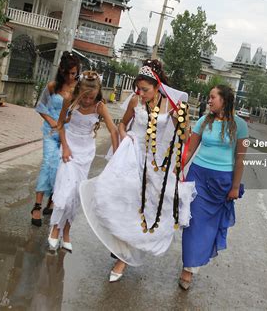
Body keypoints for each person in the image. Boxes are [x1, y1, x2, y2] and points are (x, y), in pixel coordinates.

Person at [79, 59, 196, 282]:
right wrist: (126, 138)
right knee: (116, 199)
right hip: (132, 156)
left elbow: (181, 137)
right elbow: (123, 124)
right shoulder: (135, 101)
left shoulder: (171, 106)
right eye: (138, 89)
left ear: (157, 85)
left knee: (145, 210)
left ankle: (123, 258)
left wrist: (178, 122)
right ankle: (120, 248)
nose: (140, 93)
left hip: (154, 163)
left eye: (145, 90)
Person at [178, 84, 248, 290]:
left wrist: (235, 187)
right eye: (208, 98)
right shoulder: (203, 121)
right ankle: (187, 270)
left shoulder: (240, 125)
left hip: (222, 181)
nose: (208, 101)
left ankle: (193, 264)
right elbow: (189, 150)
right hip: (198, 175)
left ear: (224, 100)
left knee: (209, 227)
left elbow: (240, 159)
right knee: (193, 223)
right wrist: (176, 169)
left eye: (212, 97)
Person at [47, 70, 119, 253]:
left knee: (76, 194)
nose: (87, 100)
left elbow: (113, 130)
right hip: (69, 148)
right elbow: (60, 124)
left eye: (91, 97)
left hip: (86, 153)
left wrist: (118, 153)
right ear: (79, 90)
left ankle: (67, 232)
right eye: (85, 97)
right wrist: (65, 147)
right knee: (65, 189)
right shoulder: (70, 100)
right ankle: (55, 229)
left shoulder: (100, 107)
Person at [30, 52, 81, 227]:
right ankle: (37, 206)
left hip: (69, 135)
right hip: (51, 132)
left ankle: (51, 201)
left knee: (61, 168)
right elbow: (41, 107)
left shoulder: (79, 88)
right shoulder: (52, 86)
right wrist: (53, 123)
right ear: (61, 70)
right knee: (48, 164)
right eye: (67, 73)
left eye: (74, 73)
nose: (70, 76)